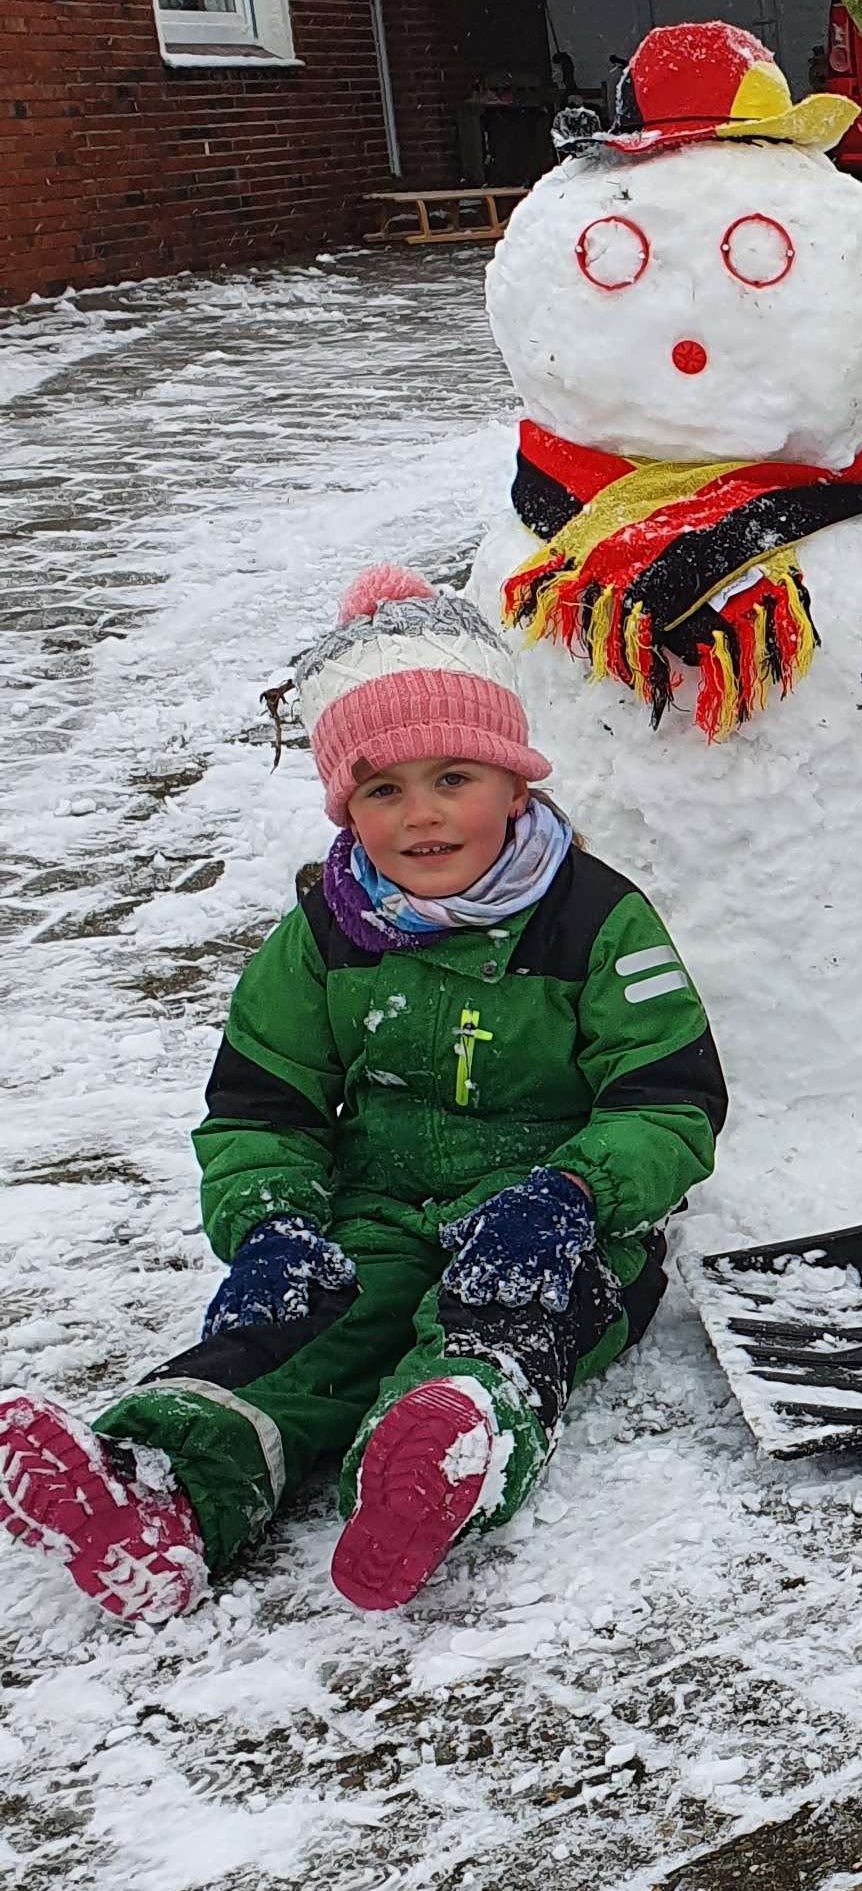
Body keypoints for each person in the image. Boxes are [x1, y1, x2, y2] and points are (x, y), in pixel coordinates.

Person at [0, 569, 724, 1622]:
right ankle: (164, 1491)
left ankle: (440, 1452)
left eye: (454, 778)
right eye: (382, 789)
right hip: (377, 1204)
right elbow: (264, 1102)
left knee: (503, 1323)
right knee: (307, 1331)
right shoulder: (328, 930)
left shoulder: (595, 921)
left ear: (516, 785)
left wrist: (575, 1193)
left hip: (560, 1221)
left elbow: (670, 1100)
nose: (420, 816)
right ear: (346, 805)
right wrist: (273, 1221)